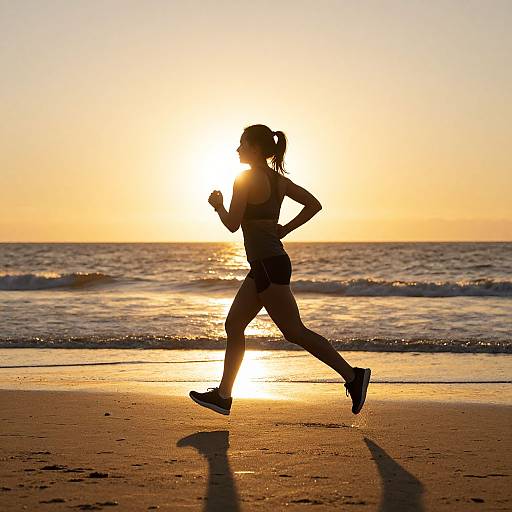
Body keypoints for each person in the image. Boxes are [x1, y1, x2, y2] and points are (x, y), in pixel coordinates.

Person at [189, 124, 371, 416]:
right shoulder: (279, 181)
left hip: (269, 266)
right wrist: (284, 229)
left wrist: (218, 206)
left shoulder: (244, 180)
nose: (237, 149)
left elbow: (233, 224)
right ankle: (223, 396)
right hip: (266, 265)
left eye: (242, 144)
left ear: (256, 148)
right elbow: (314, 205)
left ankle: (354, 376)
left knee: (295, 331)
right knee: (234, 325)